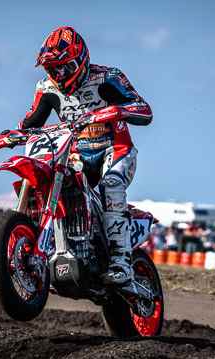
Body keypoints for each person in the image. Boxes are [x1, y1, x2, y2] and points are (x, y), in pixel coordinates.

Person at [18, 26, 152, 286]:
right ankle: (50, 251)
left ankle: (122, 263)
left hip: (116, 151)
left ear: (81, 60)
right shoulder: (46, 87)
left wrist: (113, 111)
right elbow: (32, 122)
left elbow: (144, 110)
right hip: (76, 155)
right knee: (50, 182)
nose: (58, 75)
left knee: (111, 184)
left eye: (64, 67)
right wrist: (13, 134)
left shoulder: (108, 77)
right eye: (52, 69)